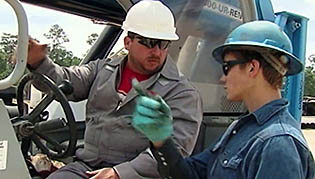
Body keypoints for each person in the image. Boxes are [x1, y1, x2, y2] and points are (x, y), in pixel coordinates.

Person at [24, 1, 203, 178]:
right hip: (87, 166)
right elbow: (65, 82)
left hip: (140, 175)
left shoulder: (182, 93)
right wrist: (39, 63)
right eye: (148, 42)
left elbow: (175, 151)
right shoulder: (102, 70)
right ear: (127, 42)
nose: (156, 51)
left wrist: (121, 173)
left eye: (163, 44)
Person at [132, 20, 315, 179]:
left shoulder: (278, 144)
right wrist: (162, 141)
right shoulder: (243, 129)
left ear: (252, 68)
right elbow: (192, 174)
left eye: (227, 67)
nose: (222, 78)